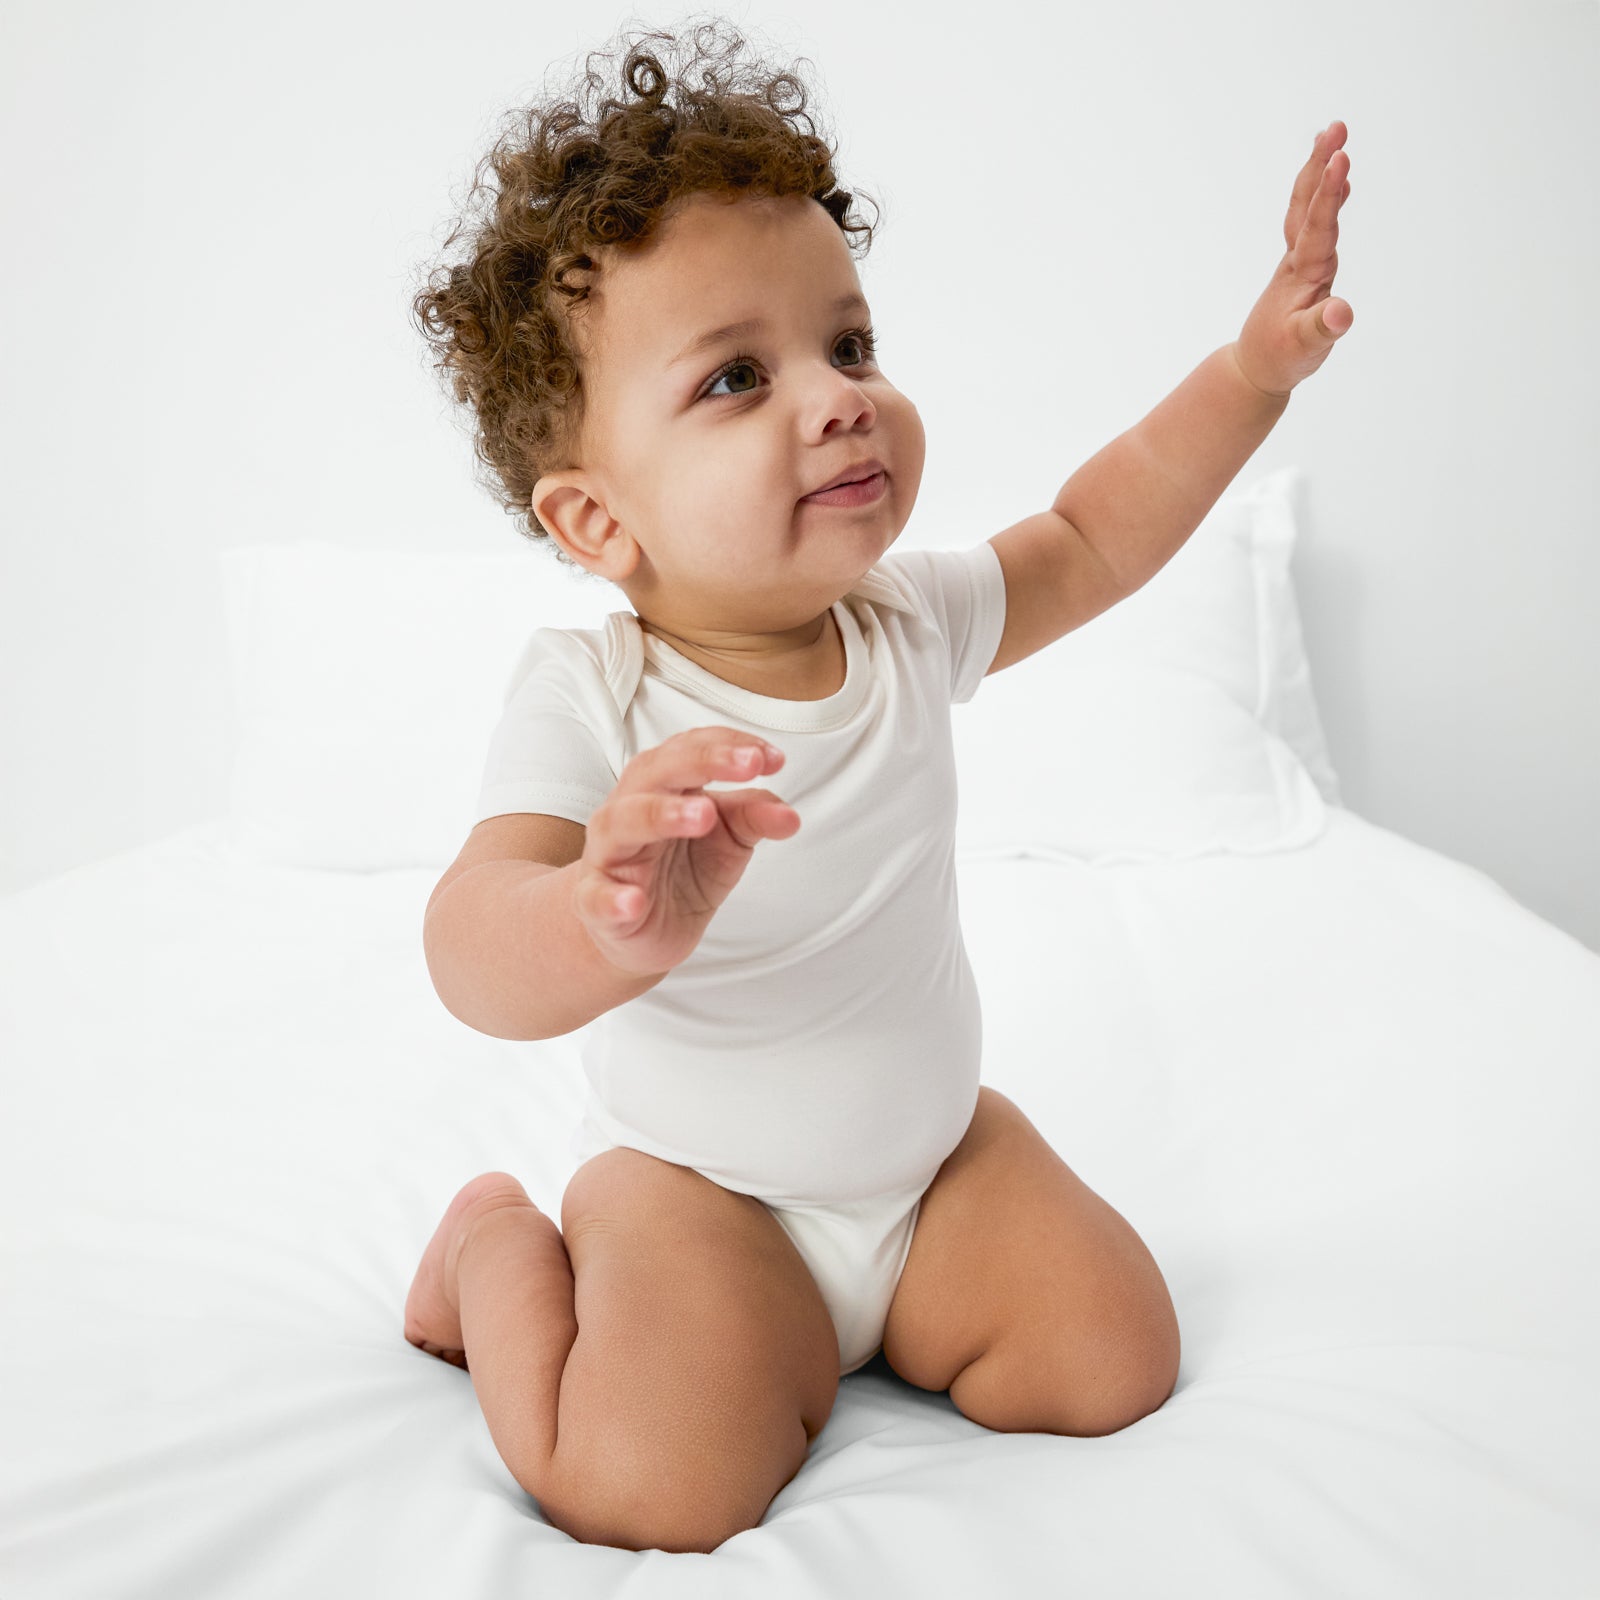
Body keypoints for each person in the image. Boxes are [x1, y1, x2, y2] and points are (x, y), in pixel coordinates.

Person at [403, 19, 1353, 1555]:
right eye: (737, 376)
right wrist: (594, 917)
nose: (838, 397)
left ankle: (881, 1308)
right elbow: (467, 942)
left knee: (1113, 1358)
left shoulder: (907, 619)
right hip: (704, 1197)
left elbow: (1095, 535)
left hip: (927, 1169)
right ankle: (494, 1248)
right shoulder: (594, 694)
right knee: (643, 1487)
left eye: (847, 346)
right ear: (595, 521)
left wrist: (1252, 374)